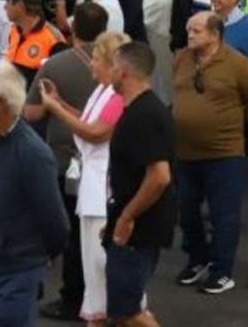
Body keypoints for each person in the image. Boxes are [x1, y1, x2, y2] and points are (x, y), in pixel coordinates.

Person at [23, 2, 110, 323]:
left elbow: (30, 113)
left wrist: (54, 104)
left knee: (73, 236)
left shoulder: (56, 65)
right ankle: (96, 296)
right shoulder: (117, 67)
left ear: (73, 29)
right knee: (90, 236)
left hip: (64, 157)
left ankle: (73, 298)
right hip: (102, 166)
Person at [38, 30, 130, 326]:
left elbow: (96, 132)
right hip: (91, 182)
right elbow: (88, 120)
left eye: (96, 60)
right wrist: (59, 102)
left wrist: (54, 110)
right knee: (92, 267)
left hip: (103, 185)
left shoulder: (116, 96)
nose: (91, 65)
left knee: (101, 265)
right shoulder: (103, 90)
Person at [0, 61, 68, 327]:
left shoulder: (33, 154)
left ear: (0, 103)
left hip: (18, 272)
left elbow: (56, 222)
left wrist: (33, 260)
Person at [173, 12, 248, 295]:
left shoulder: (237, 63)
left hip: (223, 152)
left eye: (197, 30)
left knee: (224, 213)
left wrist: (232, 121)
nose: (190, 35)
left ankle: (222, 270)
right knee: (187, 211)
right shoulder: (182, 59)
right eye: (189, 29)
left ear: (215, 34)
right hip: (185, 151)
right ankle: (198, 258)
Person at [104, 42, 175, 326]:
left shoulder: (145, 115)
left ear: (122, 72)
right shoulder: (141, 110)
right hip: (132, 224)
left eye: (112, 66)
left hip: (139, 229)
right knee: (124, 311)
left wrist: (126, 217)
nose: (108, 72)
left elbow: (160, 176)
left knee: (128, 312)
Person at [0, 0, 63, 85]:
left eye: (8, 1)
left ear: (20, 6)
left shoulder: (52, 38)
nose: (4, 6)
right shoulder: (13, 30)